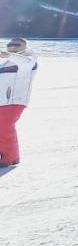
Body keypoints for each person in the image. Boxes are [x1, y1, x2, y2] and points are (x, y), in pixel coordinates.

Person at [0, 38, 37, 167]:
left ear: (25, 47)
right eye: (10, 44)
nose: (13, 46)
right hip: (2, 101)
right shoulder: (6, 62)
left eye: (17, 44)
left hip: (14, 100)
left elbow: (24, 62)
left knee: (4, 127)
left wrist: (8, 55)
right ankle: (7, 155)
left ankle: (10, 158)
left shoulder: (28, 59)